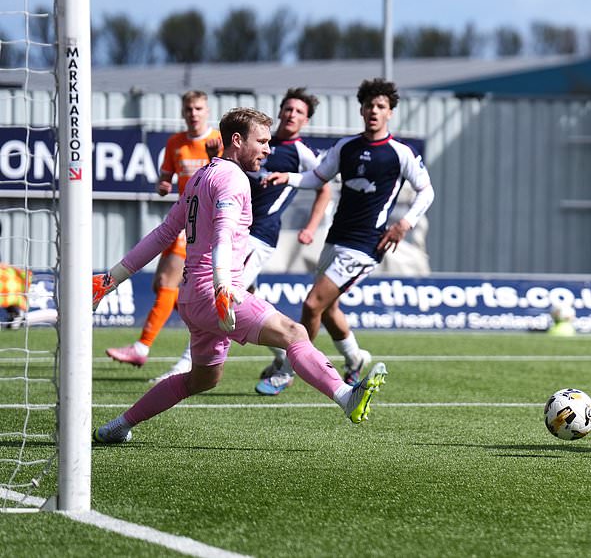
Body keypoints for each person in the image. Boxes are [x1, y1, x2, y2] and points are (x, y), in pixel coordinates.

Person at [91, 108, 388, 444]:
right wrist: (222, 287)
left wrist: (111, 278)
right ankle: (346, 397)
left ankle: (118, 425)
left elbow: (163, 234)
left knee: (202, 380)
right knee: (295, 332)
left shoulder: (202, 176)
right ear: (237, 140)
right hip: (214, 293)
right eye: (261, 141)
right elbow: (222, 233)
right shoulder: (234, 179)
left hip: (191, 297)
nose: (267, 149)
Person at [147, 88, 334, 391]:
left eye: (298, 112)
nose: (291, 115)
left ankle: (187, 366)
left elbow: (324, 185)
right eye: (287, 109)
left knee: (224, 300)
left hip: (259, 234)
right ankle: (288, 354)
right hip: (239, 233)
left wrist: (312, 225)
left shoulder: (299, 152)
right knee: (247, 303)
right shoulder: (254, 145)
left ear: (306, 120)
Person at [264, 78, 434, 390]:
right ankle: (354, 358)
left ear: (390, 113)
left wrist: (404, 223)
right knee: (328, 309)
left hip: (367, 244)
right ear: (361, 109)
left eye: (381, 106)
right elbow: (316, 178)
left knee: (313, 304)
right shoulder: (346, 147)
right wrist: (287, 176)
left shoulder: (400, 153)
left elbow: (427, 191)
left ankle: (287, 371)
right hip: (335, 238)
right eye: (370, 105)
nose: (374, 110)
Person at [106, 90, 222, 368]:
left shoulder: (217, 141)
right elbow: (166, 176)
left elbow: (225, 175)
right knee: (163, 284)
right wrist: (164, 185)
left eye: (198, 108)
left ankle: (142, 347)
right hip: (181, 216)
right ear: (183, 112)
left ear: (207, 111)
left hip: (200, 220)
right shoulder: (175, 144)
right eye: (188, 109)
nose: (193, 113)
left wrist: (213, 158)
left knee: (169, 282)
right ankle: (278, 352)